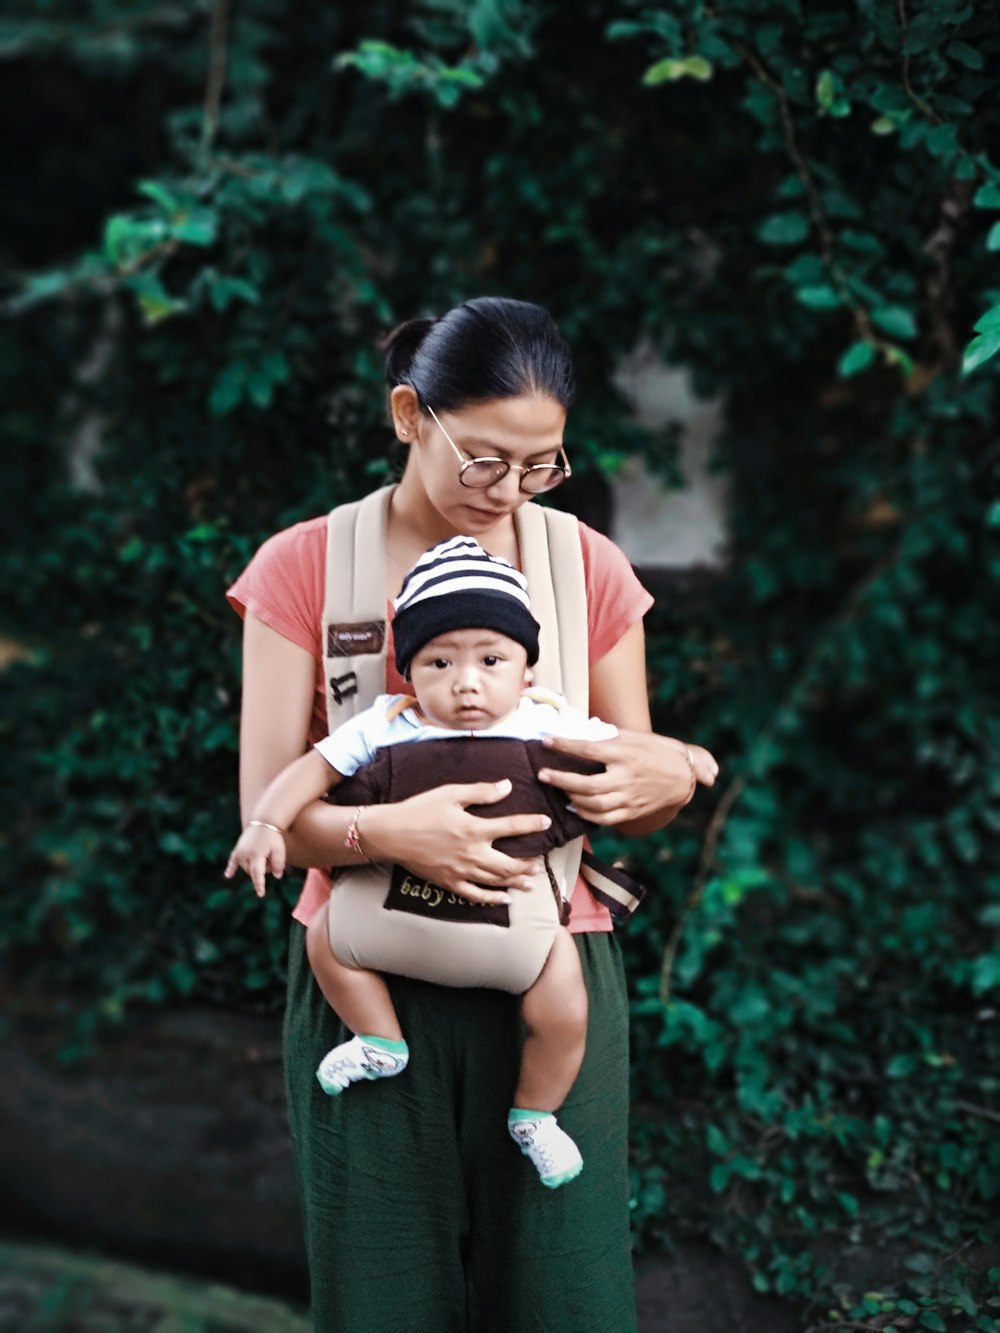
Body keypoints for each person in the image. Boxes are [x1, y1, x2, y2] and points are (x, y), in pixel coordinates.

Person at [226, 296, 718, 1332]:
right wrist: (390, 834)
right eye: (485, 459)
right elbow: (267, 811)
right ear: (411, 415)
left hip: (550, 967)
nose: (509, 492)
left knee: (563, 1294)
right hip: (366, 971)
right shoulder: (303, 566)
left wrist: (672, 774)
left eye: (541, 466)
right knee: (379, 1292)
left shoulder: (586, 567)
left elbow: (634, 783)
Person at [226, 533, 655, 1190]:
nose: (467, 682)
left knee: (565, 1005)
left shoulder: (549, 724)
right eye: (438, 662)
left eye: (491, 658)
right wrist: (263, 822)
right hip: (390, 911)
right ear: (409, 671)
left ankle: (536, 1114)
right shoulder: (388, 724)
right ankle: (379, 1038)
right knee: (325, 940)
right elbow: (309, 770)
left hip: (523, 930)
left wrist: (686, 762)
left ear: (527, 669)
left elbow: (635, 760)